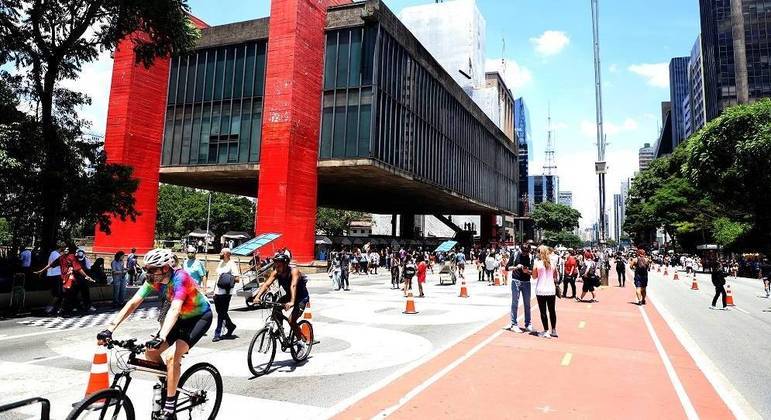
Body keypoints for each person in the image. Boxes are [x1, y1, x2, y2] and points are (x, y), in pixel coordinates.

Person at [97, 248, 212, 420]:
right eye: (146, 269)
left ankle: (170, 407)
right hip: (180, 318)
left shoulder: (180, 278)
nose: (147, 273)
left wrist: (162, 336)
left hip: (199, 318)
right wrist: (110, 328)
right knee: (150, 353)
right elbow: (134, 302)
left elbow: (174, 308)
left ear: (165, 268)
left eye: (152, 269)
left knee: (173, 356)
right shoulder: (155, 279)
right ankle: (169, 380)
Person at [251, 252, 310, 345]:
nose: (277, 266)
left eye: (279, 264)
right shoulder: (276, 272)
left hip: (301, 297)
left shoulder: (294, 271)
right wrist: (257, 297)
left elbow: (293, 286)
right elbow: (266, 284)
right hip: (289, 295)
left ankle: (301, 343)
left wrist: (291, 302)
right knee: (276, 308)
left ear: (286, 264)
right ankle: (280, 329)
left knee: (292, 321)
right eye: (276, 263)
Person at [35, 244, 96, 314]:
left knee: (79, 293)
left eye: (67, 249)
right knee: (70, 294)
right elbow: (51, 265)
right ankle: (68, 308)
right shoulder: (64, 258)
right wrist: (42, 270)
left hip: (75, 279)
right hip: (71, 279)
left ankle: (77, 307)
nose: (65, 250)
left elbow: (78, 268)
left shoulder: (70, 257)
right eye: (64, 249)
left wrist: (86, 276)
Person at [212, 248, 239, 342]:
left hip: (226, 292)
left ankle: (217, 333)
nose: (220, 253)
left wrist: (227, 278)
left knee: (221, 313)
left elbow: (237, 279)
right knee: (220, 311)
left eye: (221, 252)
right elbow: (218, 278)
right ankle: (231, 326)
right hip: (218, 291)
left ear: (227, 254)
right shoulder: (220, 263)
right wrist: (214, 292)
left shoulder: (232, 264)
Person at [505, 244, 533, 333]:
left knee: (527, 304)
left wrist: (527, 271)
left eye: (527, 252)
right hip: (516, 280)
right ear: (521, 250)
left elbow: (532, 272)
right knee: (515, 303)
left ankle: (528, 324)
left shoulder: (531, 256)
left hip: (526, 282)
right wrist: (516, 267)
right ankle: (514, 324)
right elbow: (507, 268)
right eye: (523, 252)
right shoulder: (515, 254)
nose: (525, 254)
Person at [533, 246, 560, 338]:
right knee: (552, 310)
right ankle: (554, 329)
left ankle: (546, 330)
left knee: (543, 311)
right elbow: (555, 275)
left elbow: (534, 276)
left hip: (540, 289)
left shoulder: (537, 263)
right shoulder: (552, 263)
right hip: (551, 289)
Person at [43, 242, 65, 314]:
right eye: (64, 248)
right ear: (61, 248)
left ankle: (56, 307)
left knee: (59, 292)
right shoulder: (56, 254)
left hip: (55, 274)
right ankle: (50, 306)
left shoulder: (54, 253)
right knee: (57, 293)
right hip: (55, 275)